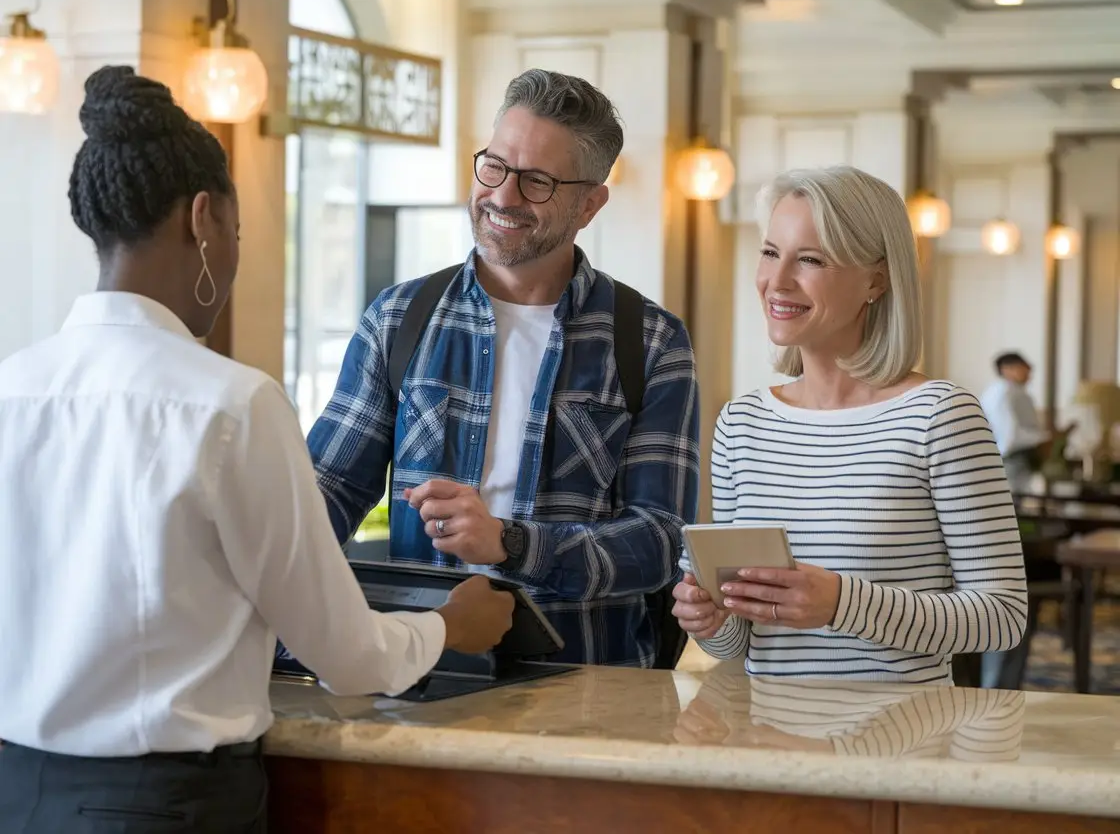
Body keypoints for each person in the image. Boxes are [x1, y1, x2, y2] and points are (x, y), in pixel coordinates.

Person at [0, 66, 513, 833]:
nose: (233, 263)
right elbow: (348, 653)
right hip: (167, 806)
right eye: (237, 235)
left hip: (17, 792)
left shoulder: (13, 387)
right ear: (203, 219)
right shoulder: (231, 404)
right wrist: (451, 627)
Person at [309, 68, 701, 668]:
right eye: (494, 165)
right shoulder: (398, 319)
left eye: (537, 181)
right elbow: (328, 490)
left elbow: (659, 541)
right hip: (429, 673)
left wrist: (512, 545)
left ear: (590, 203)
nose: (503, 196)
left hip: (590, 689)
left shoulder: (650, 341)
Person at [670, 165, 1027, 684]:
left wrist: (842, 602)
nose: (778, 279)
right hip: (769, 744)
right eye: (771, 252)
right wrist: (710, 620)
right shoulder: (740, 424)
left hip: (900, 746)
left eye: (810, 259)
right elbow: (741, 642)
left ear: (876, 280)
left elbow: (1003, 616)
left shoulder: (940, 417)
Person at [978, 352, 1050, 487]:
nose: (1029, 372)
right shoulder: (1002, 393)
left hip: (1018, 456)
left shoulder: (1014, 391)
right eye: (1023, 367)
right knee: (1012, 500)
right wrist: (1043, 438)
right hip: (1010, 458)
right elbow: (1010, 434)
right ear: (1006, 369)